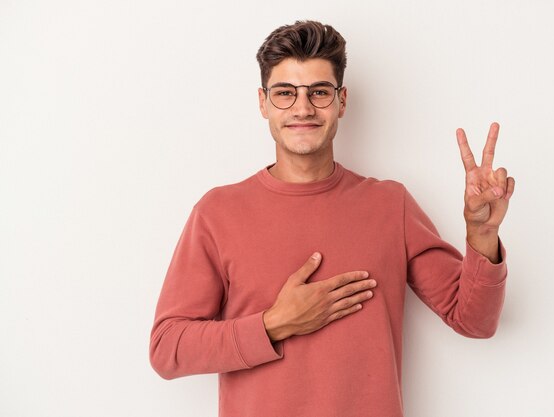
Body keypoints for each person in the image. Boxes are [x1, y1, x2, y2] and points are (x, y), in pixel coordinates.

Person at [149, 20, 515, 417]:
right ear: (263, 103)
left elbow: (474, 321)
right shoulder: (218, 213)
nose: (303, 108)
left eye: (319, 92)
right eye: (285, 93)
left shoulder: (391, 205)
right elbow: (167, 348)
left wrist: (482, 235)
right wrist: (273, 324)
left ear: (341, 101)